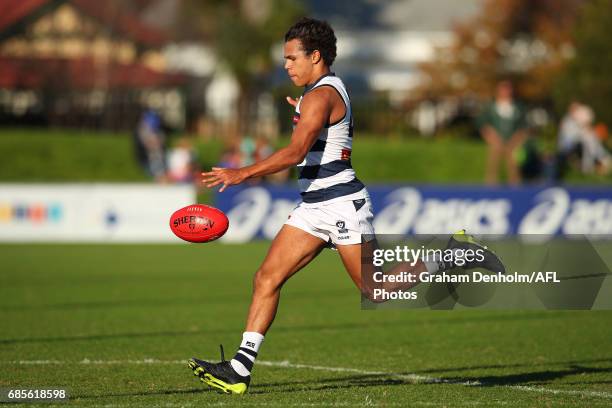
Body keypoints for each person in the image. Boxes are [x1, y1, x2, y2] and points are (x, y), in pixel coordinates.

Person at [189, 17, 504, 395]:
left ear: (315, 56)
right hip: (314, 207)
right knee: (266, 278)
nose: (286, 65)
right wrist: (303, 110)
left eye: (292, 58)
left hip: (341, 206)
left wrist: (243, 173)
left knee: (376, 289)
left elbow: (296, 151)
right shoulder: (317, 95)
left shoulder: (321, 96)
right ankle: (240, 369)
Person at [477, 81, 528, 185]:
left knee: (513, 167)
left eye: (507, 89)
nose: (505, 92)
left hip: (513, 143)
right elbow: (483, 125)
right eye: (503, 89)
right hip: (495, 142)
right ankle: (491, 192)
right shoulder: (491, 107)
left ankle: (515, 192)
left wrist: (515, 141)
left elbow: (524, 127)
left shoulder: (518, 107)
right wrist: (492, 138)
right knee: (493, 166)